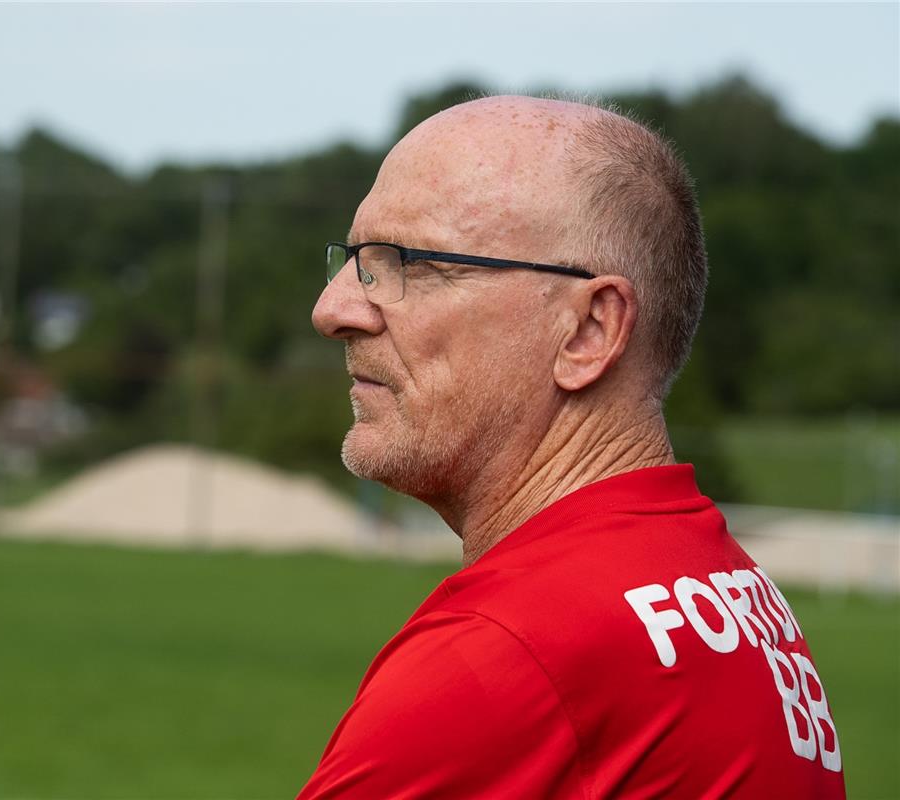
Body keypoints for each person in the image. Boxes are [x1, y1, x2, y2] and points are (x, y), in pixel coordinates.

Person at [297, 95, 845, 798]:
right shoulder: (729, 591)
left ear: (589, 332)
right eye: (355, 260)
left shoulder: (507, 653)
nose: (333, 309)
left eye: (407, 262)